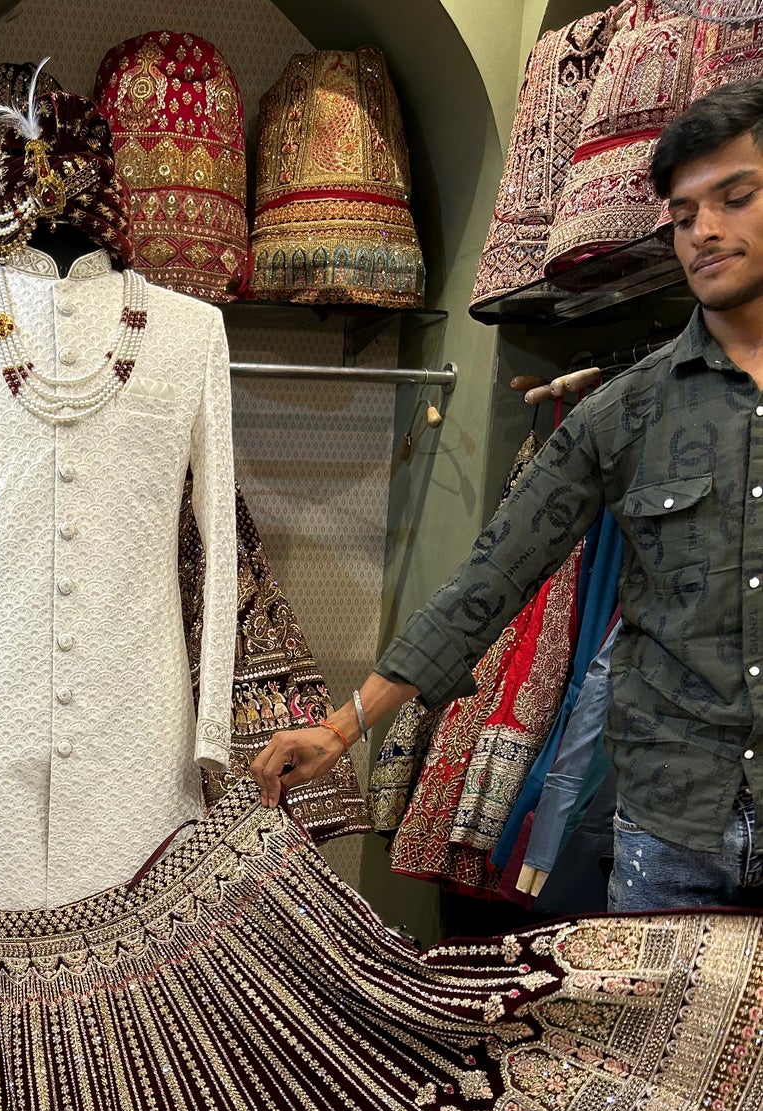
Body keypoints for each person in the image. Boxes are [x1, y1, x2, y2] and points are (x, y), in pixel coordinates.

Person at [254, 77, 763, 915]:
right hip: (671, 830)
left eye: (734, 198)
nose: (703, 231)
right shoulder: (624, 412)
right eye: (681, 215)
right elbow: (490, 576)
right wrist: (343, 726)